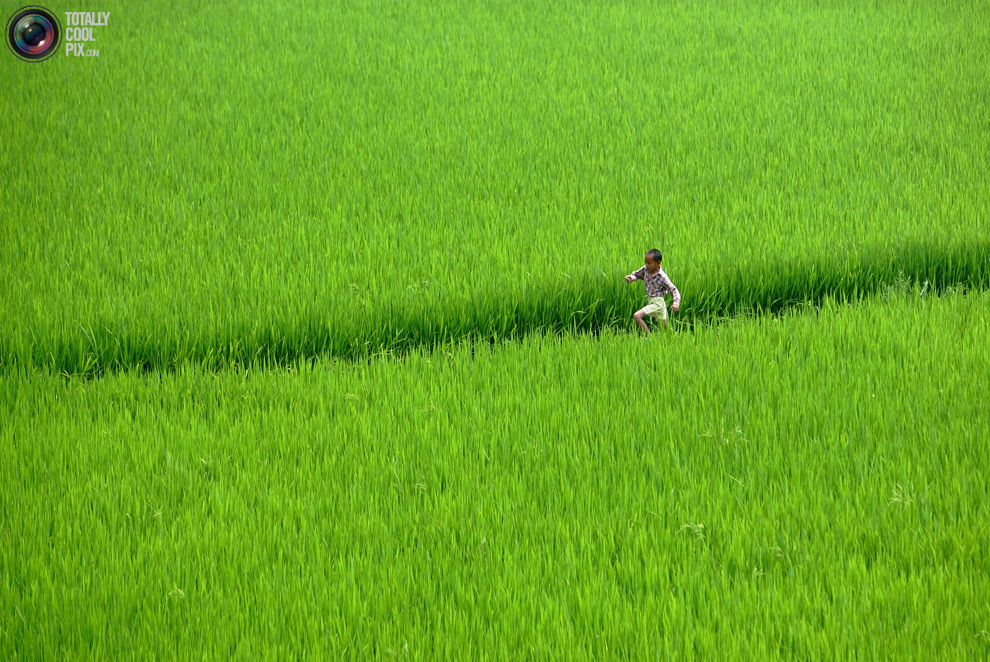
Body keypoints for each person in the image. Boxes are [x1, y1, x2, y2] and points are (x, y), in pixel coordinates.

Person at [624, 249, 681, 335]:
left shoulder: (662, 277)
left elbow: (673, 289)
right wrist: (631, 278)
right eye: (646, 262)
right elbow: (637, 274)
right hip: (651, 301)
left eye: (649, 263)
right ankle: (677, 341)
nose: (646, 265)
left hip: (658, 303)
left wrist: (676, 303)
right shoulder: (646, 270)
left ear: (658, 263)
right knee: (667, 330)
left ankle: (649, 338)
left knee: (637, 316)